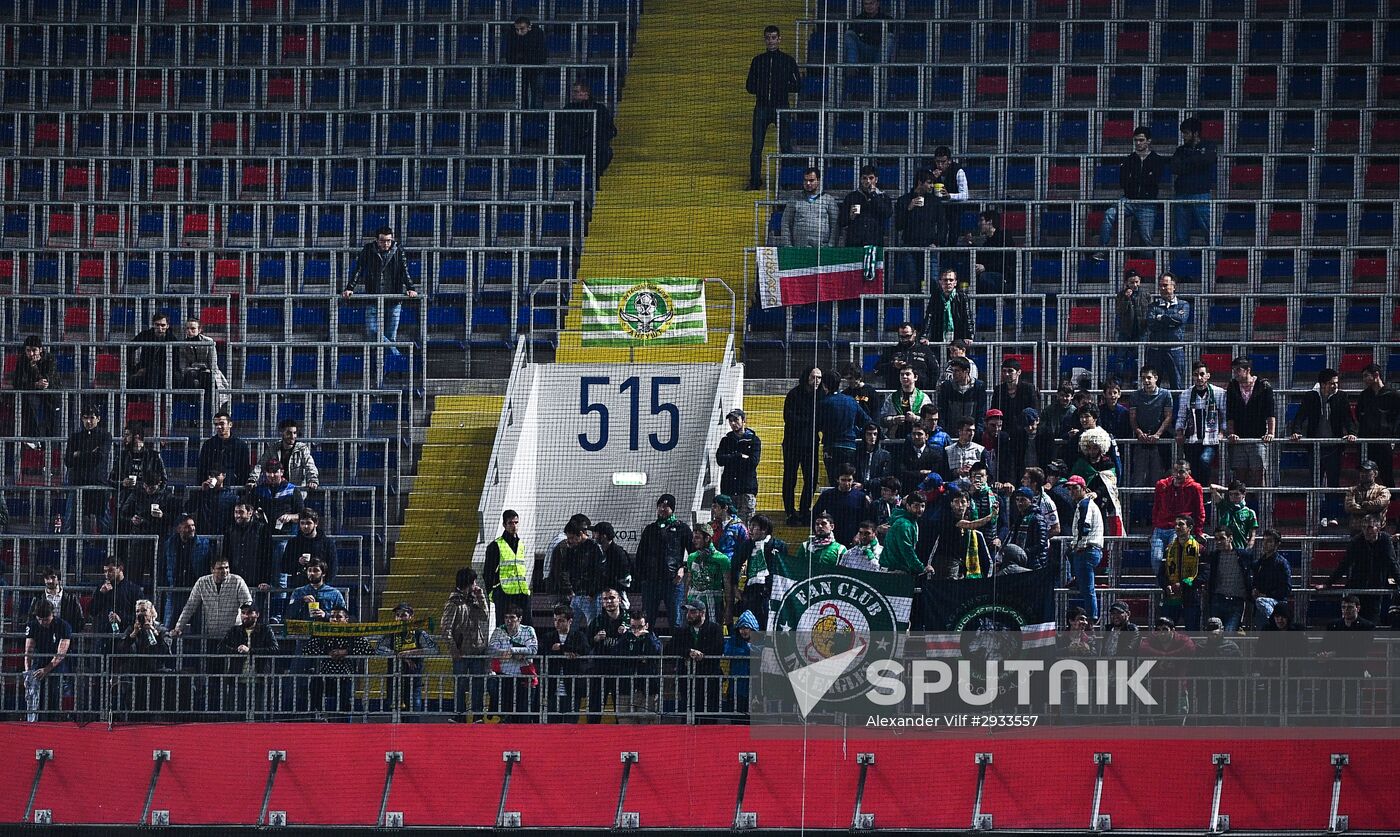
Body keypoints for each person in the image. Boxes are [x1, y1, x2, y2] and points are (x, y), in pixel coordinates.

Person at [341, 226, 419, 353]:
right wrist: (350, 287)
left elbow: (404, 271)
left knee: (390, 338)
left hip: (394, 300)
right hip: (373, 298)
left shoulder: (398, 249)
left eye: (388, 240)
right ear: (376, 240)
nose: (386, 244)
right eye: (383, 241)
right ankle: (399, 357)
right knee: (372, 332)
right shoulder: (368, 249)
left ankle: (389, 370)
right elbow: (359, 269)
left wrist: (411, 288)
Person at [1093, 126, 1166, 257]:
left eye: (1141, 140)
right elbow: (1124, 182)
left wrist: (1136, 178)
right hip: (1129, 200)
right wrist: (1143, 178)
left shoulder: (1157, 159)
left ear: (1148, 141)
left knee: (1147, 239)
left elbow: (1154, 180)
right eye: (1136, 140)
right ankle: (1102, 249)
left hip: (1147, 203)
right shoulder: (1129, 159)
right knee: (1110, 213)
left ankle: (1149, 268)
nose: (1138, 143)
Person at [744, 25, 799, 191]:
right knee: (756, 147)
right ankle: (755, 181)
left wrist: (780, 89)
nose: (771, 41)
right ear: (764, 39)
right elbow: (749, 86)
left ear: (779, 39)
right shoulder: (757, 60)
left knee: (786, 146)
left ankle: (787, 181)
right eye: (768, 37)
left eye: (774, 37)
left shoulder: (788, 60)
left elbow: (797, 85)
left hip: (781, 107)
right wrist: (762, 90)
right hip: (761, 107)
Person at [1318, 515, 1399, 622]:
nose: (1366, 531)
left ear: (1378, 528)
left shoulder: (1385, 541)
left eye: (1370, 527)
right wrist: (1328, 583)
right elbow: (1345, 564)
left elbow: (1392, 564)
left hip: (1376, 587)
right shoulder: (1357, 541)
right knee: (1353, 620)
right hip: (1357, 586)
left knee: (1371, 621)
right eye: (1364, 527)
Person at [1287, 368, 1357, 488]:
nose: (1335, 386)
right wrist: (1296, 431)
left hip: (1334, 447)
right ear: (1323, 384)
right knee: (1314, 484)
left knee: (1333, 483)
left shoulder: (1341, 396)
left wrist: (1352, 432)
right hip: (1315, 448)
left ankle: (1332, 506)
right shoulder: (1311, 396)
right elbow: (1300, 416)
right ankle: (1314, 507)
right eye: (1332, 383)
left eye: (1336, 383)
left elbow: (1348, 418)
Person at [440, 567, 490, 722]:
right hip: (461, 652)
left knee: (478, 684)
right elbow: (445, 629)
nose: (475, 584)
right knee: (460, 684)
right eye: (473, 581)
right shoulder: (453, 603)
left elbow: (484, 616)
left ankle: (477, 715)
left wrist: (481, 598)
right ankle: (459, 715)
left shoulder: (473, 600)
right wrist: (454, 650)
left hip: (477, 649)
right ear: (468, 583)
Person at [304, 605, 372, 717]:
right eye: (332, 617)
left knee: (345, 704)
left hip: (345, 676)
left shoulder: (353, 634)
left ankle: (344, 723)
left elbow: (369, 650)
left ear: (346, 620)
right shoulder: (323, 633)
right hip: (325, 676)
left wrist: (346, 652)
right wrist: (327, 652)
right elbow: (307, 650)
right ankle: (318, 715)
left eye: (339, 617)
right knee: (314, 684)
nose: (335, 619)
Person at [635, 494, 690, 629]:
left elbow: (694, 552)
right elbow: (640, 555)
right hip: (651, 582)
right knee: (647, 620)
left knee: (676, 621)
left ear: (672, 509)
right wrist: (642, 578)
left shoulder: (682, 529)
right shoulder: (650, 529)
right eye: (660, 506)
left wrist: (684, 568)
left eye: (666, 507)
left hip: (673, 583)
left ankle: (677, 649)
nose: (662, 509)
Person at [377, 602, 437, 719]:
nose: (400, 618)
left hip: (414, 681)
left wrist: (411, 653)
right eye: (397, 615)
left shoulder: (419, 633)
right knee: (394, 718)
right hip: (394, 682)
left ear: (411, 616)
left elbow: (433, 650)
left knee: (413, 716)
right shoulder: (391, 633)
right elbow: (379, 649)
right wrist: (398, 654)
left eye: (403, 615)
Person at [194, 411, 252, 533]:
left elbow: (244, 470)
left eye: (221, 423)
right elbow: (202, 469)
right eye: (216, 424)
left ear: (230, 424)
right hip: (211, 493)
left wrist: (241, 493)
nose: (218, 427)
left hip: (233, 491)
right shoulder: (208, 445)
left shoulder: (241, 446)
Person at [782, 366, 826, 525]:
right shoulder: (794, 394)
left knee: (811, 479)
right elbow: (788, 417)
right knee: (790, 479)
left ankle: (804, 510)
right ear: (807, 377)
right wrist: (809, 420)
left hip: (810, 445)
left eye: (819, 378)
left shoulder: (821, 396)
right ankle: (790, 513)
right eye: (814, 377)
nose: (817, 381)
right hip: (792, 445)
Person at [1223, 356, 1276, 486]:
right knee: (1239, 475)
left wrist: (1270, 433)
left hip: (1258, 438)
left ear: (1247, 370)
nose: (1235, 373)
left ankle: (1261, 504)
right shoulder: (1233, 387)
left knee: (1258, 473)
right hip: (1239, 438)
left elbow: (1270, 412)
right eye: (1234, 370)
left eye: (1238, 370)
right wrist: (1231, 433)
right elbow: (1230, 414)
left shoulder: (1263, 386)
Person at [116, 598, 173, 718]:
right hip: (135, 674)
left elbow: (167, 652)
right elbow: (120, 649)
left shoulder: (161, 629)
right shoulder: (131, 629)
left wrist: (153, 632)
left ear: (151, 612)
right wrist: (133, 634)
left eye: (144, 610)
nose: (140, 614)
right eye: (137, 611)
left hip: (155, 675)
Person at [670, 598, 725, 722]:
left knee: (709, 717)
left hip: (709, 679)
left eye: (693, 612)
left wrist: (701, 654)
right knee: (688, 716)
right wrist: (689, 652)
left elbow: (718, 648)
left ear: (702, 613)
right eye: (687, 612)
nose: (688, 615)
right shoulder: (681, 631)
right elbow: (670, 648)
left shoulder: (715, 628)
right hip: (688, 680)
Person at [220, 601, 278, 717]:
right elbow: (220, 647)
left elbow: (275, 649)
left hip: (260, 680)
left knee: (260, 717)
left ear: (257, 614)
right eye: (243, 613)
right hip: (237, 680)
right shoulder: (234, 630)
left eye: (249, 612)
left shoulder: (265, 629)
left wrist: (251, 651)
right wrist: (237, 650)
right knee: (235, 717)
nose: (245, 616)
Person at [62, 406, 113, 534]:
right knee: (69, 523)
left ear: (98, 419)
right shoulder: (74, 437)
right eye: (85, 418)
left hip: (98, 485)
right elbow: (68, 461)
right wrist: (91, 453)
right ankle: (67, 552)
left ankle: (108, 552)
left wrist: (78, 454)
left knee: (104, 524)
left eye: (92, 418)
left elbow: (100, 456)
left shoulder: (105, 436)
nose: (88, 421)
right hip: (77, 484)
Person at [548, 518, 607, 629]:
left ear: (580, 534)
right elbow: (565, 570)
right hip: (576, 594)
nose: (569, 541)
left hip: (591, 596)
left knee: (593, 625)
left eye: (571, 538)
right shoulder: (572, 549)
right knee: (571, 625)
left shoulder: (594, 547)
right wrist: (570, 590)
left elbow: (600, 573)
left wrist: (592, 592)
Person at [1175, 361, 1227, 484]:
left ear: (1208, 375)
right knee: (1192, 469)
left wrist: (1222, 432)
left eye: (1202, 374)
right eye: (1195, 374)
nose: (1199, 378)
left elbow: (1225, 415)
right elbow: (1181, 416)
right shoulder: (1186, 394)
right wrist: (1179, 432)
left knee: (1204, 460)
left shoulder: (1219, 393)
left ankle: (1205, 494)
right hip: (1192, 439)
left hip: (1211, 439)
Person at [1169, 116, 1217, 247]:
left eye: (1186, 133)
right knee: (1180, 236)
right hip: (1181, 195)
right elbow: (1175, 167)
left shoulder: (1209, 147)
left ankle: (1215, 263)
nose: (1184, 136)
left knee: (1210, 233)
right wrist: (1195, 161)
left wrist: (1187, 163)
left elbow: (1207, 160)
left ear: (1195, 133)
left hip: (1201, 195)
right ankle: (1182, 265)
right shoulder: (1180, 150)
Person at [730, 515, 784, 627]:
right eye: (750, 526)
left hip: (771, 592)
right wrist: (735, 587)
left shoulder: (778, 545)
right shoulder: (747, 544)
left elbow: (784, 570)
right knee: (751, 624)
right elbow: (735, 564)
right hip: (751, 592)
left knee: (767, 625)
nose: (750, 529)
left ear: (764, 529)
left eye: (754, 526)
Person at [538, 604, 588, 723]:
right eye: (555, 620)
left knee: (571, 725)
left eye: (561, 620)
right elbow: (542, 652)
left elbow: (585, 650)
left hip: (572, 689)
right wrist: (566, 651)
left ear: (570, 621)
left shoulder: (578, 636)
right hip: (552, 688)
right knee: (552, 725)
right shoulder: (548, 636)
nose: (557, 623)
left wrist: (562, 647)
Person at [162, 515, 216, 625]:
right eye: (187, 526)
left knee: (197, 626)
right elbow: (163, 566)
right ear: (179, 529)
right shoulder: (169, 545)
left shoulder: (204, 544)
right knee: (169, 625)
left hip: (196, 591)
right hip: (175, 590)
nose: (192, 528)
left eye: (193, 525)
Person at [486, 605, 537, 722]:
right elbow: (491, 649)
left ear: (519, 619)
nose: (509, 621)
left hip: (524, 678)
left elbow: (533, 649)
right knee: (507, 717)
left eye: (512, 618)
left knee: (524, 716)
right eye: (506, 618)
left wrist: (513, 651)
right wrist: (502, 652)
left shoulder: (528, 630)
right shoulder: (499, 631)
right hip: (505, 678)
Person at [24, 600, 72, 720]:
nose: (42, 622)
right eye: (40, 619)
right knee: (35, 698)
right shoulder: (33, 625)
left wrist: (46, 669)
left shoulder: (63, 626)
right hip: (39, 661)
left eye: (46, 619)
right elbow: (28, 652)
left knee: (54, 697)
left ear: (52, 614)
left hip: (57, 665)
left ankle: (53, 722)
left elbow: (61, 653)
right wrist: (28, 673)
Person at [893, 168, 942, 287]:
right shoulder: (904, 200)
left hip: (929, 247)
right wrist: (908, 209)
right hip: (910, 247)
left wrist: (936, 242)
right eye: (929, 183)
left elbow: (942, 224)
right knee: (913, 283)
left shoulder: (935, 201)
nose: (932, 186)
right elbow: (898, 226)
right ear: (920, 183)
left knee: (933, 282)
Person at [586, 587, 629, 723]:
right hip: (600, 671)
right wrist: (595, 639)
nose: (609, 601)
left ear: (619, 600)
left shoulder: (629, 620)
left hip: (622, 671)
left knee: (622, 713)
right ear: (602, 603)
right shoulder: (596, 621)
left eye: (612, 598)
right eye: (605, 599)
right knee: (594, 710)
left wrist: (629, 634)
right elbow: (585, 645)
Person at [223, 498, 274, 613]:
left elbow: (268, 556)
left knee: (256, 616)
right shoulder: (230, 530)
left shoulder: (262, 529)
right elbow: (226, 555)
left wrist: (265, 580)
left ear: (250, 513)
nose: (237, 515)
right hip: (236, 581)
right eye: (236, 512)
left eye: (241, 512)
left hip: (257, 582)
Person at [612, 608, 662, 723]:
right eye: (633, 627)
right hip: (626, 689)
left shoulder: (652, 638)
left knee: (647, 727)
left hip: (647, 690)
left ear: (647, 625)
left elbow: (656, 652)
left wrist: (647, 638)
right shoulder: (625, 638)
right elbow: (616, 655)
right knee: (625, 726)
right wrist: (639, 657)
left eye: (640, 627)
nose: (636, 631)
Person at [484, 509, 532, 627]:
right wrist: (492, 592)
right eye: (510, 523)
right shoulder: (496, 545)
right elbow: (487, 572)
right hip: (504, 594)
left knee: (526, 626)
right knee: (504, 626)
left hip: (522, 593)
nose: (514, 526)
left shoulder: (521, 544)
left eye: (516, 522)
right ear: (504, 525)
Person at [1199, 525, 1251, 631]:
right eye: (1216, 539)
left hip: (1237, 601)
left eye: (1222, 538)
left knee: (1229, 633)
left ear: (1230, 538)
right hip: (1218, 600)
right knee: (1214, 634)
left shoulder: (1243, 555)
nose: (1218, 542)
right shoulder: (1213, 556)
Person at [1356, 363, 1400, 487]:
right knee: (1366, 478)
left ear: (1376, 375)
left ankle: (1391, 504)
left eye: (1366, 376)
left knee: (1387, 476)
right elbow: (1359, 415)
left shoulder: (1392, 395)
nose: (1364, 380)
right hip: (1367, 442)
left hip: (1384, 442)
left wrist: (1394, 436)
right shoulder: (1364, 395)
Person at [1067, 475, 1104, 622]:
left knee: (1088, 588)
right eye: (1070, 489)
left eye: (1075, 488)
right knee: (1068, 553)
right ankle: (1076, 578)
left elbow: (1085, 527)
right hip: (1089, 549)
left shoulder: (1085, 504)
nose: (1072, 492)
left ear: (1083, 489)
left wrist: (1077, 545)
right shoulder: (1084, 504)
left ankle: (1092, 617)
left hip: (1087, 549)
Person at [558, 80, 616, 174]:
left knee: (606, 152)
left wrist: (598, 138)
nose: (573, 95)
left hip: (595, 146)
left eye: (576, 92)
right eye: (573, 92)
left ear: (586, 93)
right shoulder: (568, 109)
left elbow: (611, 129)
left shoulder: (599, 109)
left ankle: (595, 175)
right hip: (574, 145)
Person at [817, 385, 871, 485]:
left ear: (825, 386)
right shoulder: (851, 401)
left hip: (831, 446)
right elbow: (866, 421)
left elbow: (817, 424)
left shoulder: (824, 402)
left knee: (834, 481)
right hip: (849, 446)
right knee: (849, 479)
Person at [1144, 273, 1190, 390]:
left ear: (1174, 286)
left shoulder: (1183, 305)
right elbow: (1151, 324)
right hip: (1156, 351)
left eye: (1165, 285)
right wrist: (1171, 321)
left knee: (1177, 386)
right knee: (1152, 386)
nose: (1162, 288)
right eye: (1160, 286)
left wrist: (1161, 318)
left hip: (1175, 350)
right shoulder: (1153, 306)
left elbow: (1181, 320)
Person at [12, 335, 59, 448]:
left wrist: (33, 367)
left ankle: (50, 445)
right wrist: (34, 385)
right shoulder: (22, 360)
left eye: (34, 350)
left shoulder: (49, 359)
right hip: (32, 393)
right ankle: (34, 438)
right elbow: (17, 383)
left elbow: (46, 381)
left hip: (51, 394)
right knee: (29, 400)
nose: (31, 354)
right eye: (28, 350)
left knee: (52, 419)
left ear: (40, 350)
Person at [176, 318, 232, 413]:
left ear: (199, 329)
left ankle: (210, 409)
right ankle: (192, 410)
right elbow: (183, 366)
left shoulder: (209, 342)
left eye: (193, 328)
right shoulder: (182, 344)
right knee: (189, 377)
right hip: (191, 371)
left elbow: (213, 363)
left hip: (207, 371)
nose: (189, 331)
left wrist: (204, 368)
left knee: (207, 377)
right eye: (188, 328)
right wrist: (193, 368)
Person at [248, 418, 320, 491]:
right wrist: (252, 480)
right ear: (282, 433)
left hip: (296, 491)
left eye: (294, 433)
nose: (292, 436)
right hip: (277, 491)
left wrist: (313, 480)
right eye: (289, 433)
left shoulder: (302, 449)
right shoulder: (273, 448)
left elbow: (310, 466)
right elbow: (260, 465)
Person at [1158, 514, 1203, 630]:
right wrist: (1166, 585)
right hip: (1171, 598)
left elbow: (1204, 575)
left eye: (1181, 524)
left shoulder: (1200, 549)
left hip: (1191, 598)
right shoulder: (1168, 549)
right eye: (1176, 525)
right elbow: (1161, 573)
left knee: (1192, 633)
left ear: (1190, 527)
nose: (1177, 527)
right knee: (1165, 631)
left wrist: (1183, 585)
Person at [716, 408, 761, 522]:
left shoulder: (754, 440)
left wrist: (731, 458)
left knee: (746, 524)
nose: (733, 423)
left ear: (744, 420)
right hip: (729, 489)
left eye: (736, 420)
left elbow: (753, 462)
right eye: (730, 421)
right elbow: (720, 460)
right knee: (728, 523)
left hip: (746, 489)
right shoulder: (726, 440)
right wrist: (739, 456)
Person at [681, 523, 730, 623]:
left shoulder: (722, 559)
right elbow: (689, 580)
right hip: (694, 602)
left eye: (697, 538)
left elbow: (727, 586)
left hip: (713, 603)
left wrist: (729, 608)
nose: (693, 541)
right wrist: (685, 600)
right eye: (693, 537)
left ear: (707, 538)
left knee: (713, 633)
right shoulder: (692, 557)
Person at [781, 166, 840, 247]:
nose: (808, 183)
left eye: (811, 180)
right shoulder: (794, 200)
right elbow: (785, 223)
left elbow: (835, 225)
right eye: (805, 180)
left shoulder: (829, 200)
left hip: (822, 249)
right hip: (799, 249)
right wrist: (788, 246)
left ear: (818, 180)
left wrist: (830, 246)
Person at [813, 466, 872, 545]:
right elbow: (815, 514)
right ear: (837, 480)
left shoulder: (860, 497)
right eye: (843, 480)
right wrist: (820, 531)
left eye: (849, 480)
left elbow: (865, 519)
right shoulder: (827, 495)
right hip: (832, 538)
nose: (847, 483)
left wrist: (859, 535)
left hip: (853, 538)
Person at [1249, 529, 1293, 630]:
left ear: (1277, 544)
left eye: (1269, 541)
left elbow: (1286, 589)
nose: (1265, 544)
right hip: (1260, 607)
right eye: (1264, 541)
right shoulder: (1260, 562)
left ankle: (1275, 621)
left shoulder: (1282, 563)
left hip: (1276, 603)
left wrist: (1266, 595)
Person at [840, 165, 893, 248]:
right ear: (860, 180)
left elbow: (887, 214)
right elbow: (841, 221)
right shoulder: (851, 197)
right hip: (854, 243)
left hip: (875, 242)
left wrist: (874, 195)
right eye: (864, 178)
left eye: (871, 178)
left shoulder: (883, 197)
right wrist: (850, 216)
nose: (867, 181)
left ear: (876, 179)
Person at [283, 508, 335, 592]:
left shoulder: (327, 543)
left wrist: (323, 586)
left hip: (320, 587)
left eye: (308, 523)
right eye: (302, 523)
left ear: (316, 523)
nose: (305, 526)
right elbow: (285, 567)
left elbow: (333, 568)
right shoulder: (293, 542)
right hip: (299, 587)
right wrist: (298, 563)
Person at [1112, 270, 1150, 384]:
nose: (1135, 285)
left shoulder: (1145, 294)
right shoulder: (1121, 295)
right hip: (1125, 331)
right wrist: (1127, 298)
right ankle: (1119, 380)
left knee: (1139, 358)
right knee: (1120, 358)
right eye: (1132, 282)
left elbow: (1149, 310)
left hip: (1141, 331)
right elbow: (1120, 310)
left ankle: (1136, 379)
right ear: (1126, 283)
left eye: (1136, 282)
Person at [928, 146, 970, 247]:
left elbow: (965, 195)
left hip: (954, 210)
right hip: (937, 209)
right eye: (938, 162)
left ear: (949, 161)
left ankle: (951, 257)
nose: (940, 165)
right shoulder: (930, 171)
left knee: (953, 234)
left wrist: (949, 196)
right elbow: (922, 190)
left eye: (943, 162)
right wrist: (931, 178)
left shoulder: (958, 171)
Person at [874, 322, 935, 390]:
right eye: (902, 337)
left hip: (920, 393)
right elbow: (876, 370)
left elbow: (935, 371)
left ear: (914, 333)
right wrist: (893, 365)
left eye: (907, 336)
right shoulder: (891, 351)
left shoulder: (924, 350)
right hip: (896, 392)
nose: (905, 339)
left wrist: (928, 389)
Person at [502, 15, 547, 108]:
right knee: (521, 93)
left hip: (537, 68)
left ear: (529, 27)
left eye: (522, 29)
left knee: (538, 93)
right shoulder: (511, 34)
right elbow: (509, 54)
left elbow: (541, 54)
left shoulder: (538, 33)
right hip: (519, 70)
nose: (519, 32)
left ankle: (537, 117)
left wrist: (522, 57)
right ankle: (522, 118)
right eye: (517, 29)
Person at [921, 268, 974, 346]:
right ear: (940, 282)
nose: (948, 283)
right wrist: (925, 336)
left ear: (955, 283)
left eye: (951, 280)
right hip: (939, 333)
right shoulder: (936, 296)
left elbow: (967, 317)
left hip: (957, 335)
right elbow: (929, 316)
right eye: (945, 280)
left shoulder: (962, 297)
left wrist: (969, 336)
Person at [879, 365, 932, 442]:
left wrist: (915, 418)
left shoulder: (924, 398)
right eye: (902, 374)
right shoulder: (892, 397)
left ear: (915, 377)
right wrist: (894, 420)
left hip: (917, 440)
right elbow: (881, 420)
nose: (904, 377)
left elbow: (931, 421)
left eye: (907, 374)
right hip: (895, 440)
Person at [937, 357, 988, 436]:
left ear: (967, 371)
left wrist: (978, 431)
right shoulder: (947, 387)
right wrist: (944, 431)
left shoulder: (978, 386)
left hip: (972, 434)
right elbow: (942, 411)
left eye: (957, 371)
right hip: (951, 432)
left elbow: (982, 412)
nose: (954, 374)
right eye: (953, 370)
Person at [252, 459, 304, 537]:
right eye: (269, 472)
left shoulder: (292, 490)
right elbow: (251, 509)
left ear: (281, 472)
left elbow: (302, 515)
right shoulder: (258, 490)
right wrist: (256, 514)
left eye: (275, 472)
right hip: (263, 535)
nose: (272, 475)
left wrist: (290, 517)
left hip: (285, 534)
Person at [1003, 487, 1049, 572]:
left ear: (1031, 501)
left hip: (1035, 563)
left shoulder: (1037, 519)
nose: (1019, 503)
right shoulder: (1019, 518)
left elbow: (1041, 544)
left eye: (1023, 500)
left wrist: (1022, 552)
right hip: (1021, 562)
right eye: (1017, 500)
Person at [723, 610, 758, 719]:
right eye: (741, 628)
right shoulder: (734, 640)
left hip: (755, 689)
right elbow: (728, 651)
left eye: (746, 628)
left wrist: (746, 650)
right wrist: (748, 650)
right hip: (736, 688)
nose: (743, 631)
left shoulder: (760, 640)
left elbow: (763, 651)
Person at [129, 311, 177, 389]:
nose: (160, 328)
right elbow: (129, 348)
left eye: (163, 325)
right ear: (153, 325)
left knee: (154, 371)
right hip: (144, 367)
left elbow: (175, 362)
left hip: (164, 370)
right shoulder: (145, 335)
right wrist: (133, 367)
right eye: (157, 325)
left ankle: (152, 398)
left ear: (167, 326)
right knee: (130, 378)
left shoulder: (172, 339)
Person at [30, 567, 85, 636]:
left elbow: (80, 620)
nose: (50, 581)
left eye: (53, 577)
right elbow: (31, 619)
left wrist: (68, 632)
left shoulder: (71, 598)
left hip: (64, 636)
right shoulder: (38, 598)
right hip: (43, 638)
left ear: (59, 579)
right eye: (47, 578)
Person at [971, 209, 1015, 294]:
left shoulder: (1004, 238)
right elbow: (982, 259)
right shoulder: (987, 242)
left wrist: (985, 267)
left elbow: (1005, 262)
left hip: (1006, 277)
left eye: (982, 220)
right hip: (993, 275)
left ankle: (998, 304)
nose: (979, 224)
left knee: (984, 277)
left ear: (990, 222)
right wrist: (971, 244)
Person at [593, 522, 633, 612]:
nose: (593, 536)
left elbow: (625, 576)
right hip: (604, 592)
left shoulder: (618, 553)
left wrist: (614, 588)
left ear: (604, 536)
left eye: (596, 533)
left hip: (617, 592)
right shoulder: (599, 552)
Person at [1343, 460, 1390, 533]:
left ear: (1375, 473)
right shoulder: (1352, 490)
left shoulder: (1383, 490)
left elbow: (1380, 504)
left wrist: (1362, 504)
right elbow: (1349, 507)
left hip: (1377, 531)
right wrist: (1373, 511)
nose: (1363, 474)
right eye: (1361, 471)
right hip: (1357, 532)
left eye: (1367, 471)